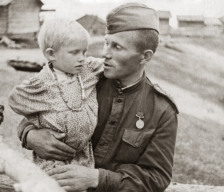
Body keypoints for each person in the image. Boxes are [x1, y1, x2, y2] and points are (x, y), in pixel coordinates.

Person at [17, 2, 179, 192]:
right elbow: (37, 113)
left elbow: (157, 177)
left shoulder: (162, 109)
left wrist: (97, 178)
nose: (104, 53)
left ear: (145, 56)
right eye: (106, 42)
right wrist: (29, 135)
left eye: (117, 47)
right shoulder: (82, 78)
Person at [9, 17, 103, 172]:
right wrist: (38, 118)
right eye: (74, 52)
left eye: (84, 52)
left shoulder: (87, 72)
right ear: (51, 54)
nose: (82, 58)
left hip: (85, 156)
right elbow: (15, 99)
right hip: (52, 160)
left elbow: (108, 65)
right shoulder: (42, 84)